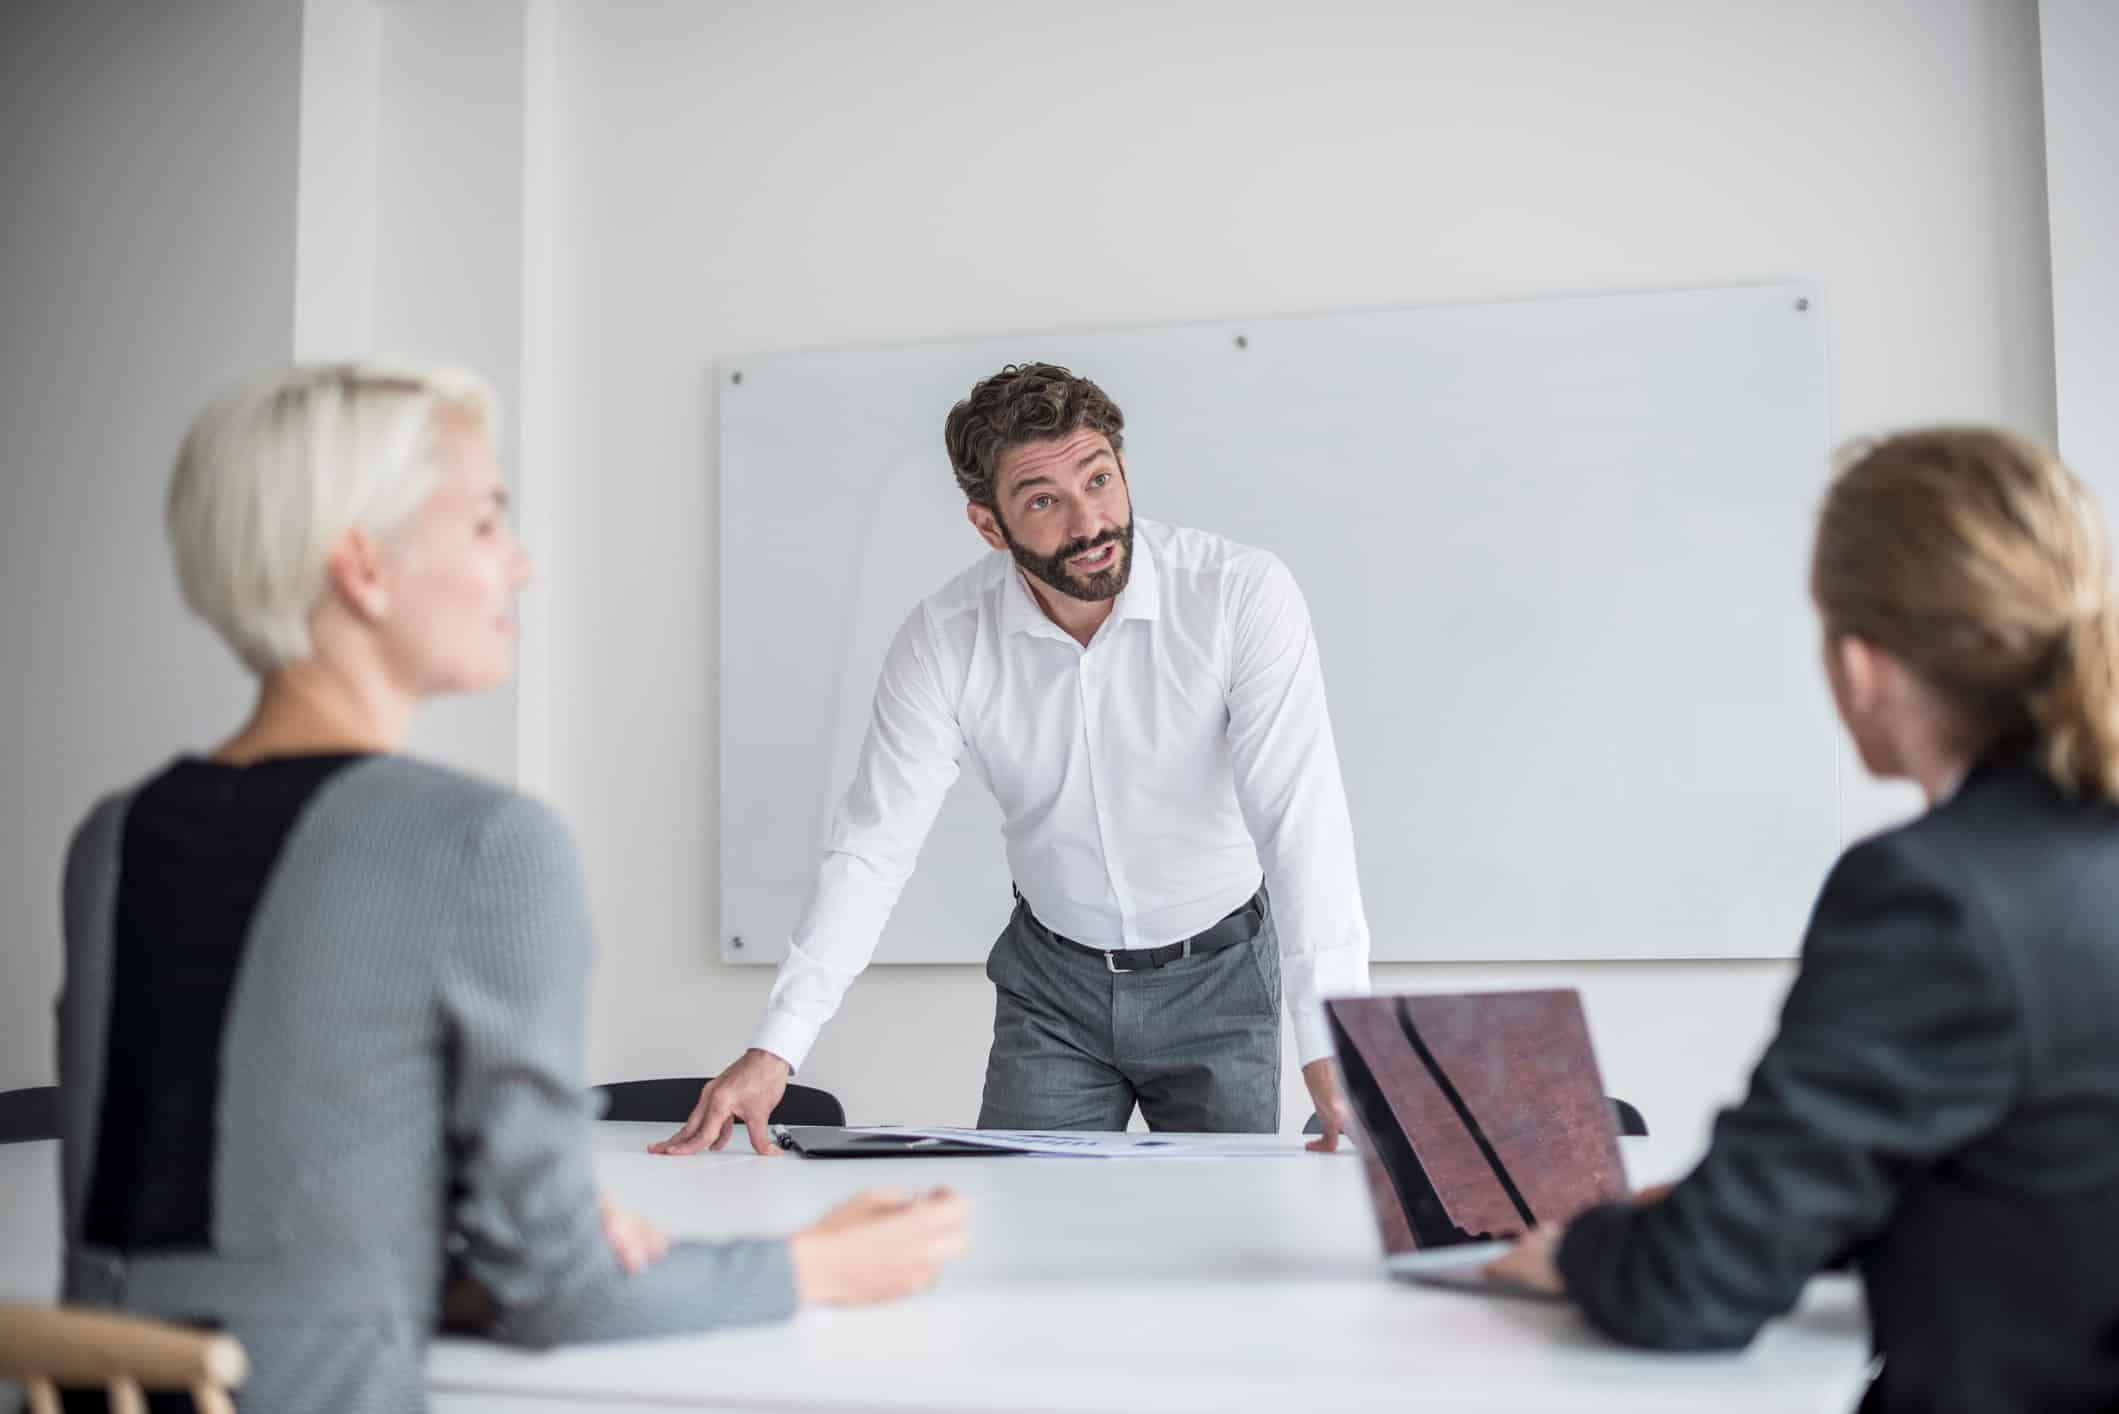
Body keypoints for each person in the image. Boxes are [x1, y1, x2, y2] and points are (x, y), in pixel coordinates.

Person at [54, 363, 966, 1412]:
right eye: (487, 525)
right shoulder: (483, 844)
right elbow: (561, 1293)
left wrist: (469, 1251)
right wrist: (817, 1266)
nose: (521, 566)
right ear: (363, 566)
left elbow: (222, 1230)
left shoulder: (115, 837)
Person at [1488, 427, 2119, 1414]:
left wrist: (1582, 1246)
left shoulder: (1933, 894)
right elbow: (2040, 1179)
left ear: (1862, 663)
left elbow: (1694, 1285)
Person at [656, 363, 1371, 1157]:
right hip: (1052, 986)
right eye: (1043, 500)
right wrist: (776, 1046)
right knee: (1019, 1223)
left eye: (1099, 480)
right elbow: (873, 845)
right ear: (989, 525)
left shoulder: (1239, 595)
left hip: (1220, 974)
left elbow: (1298, 820)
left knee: (1228, 1238)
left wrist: (1331, 1039)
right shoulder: (944, 640)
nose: (1089, 521)